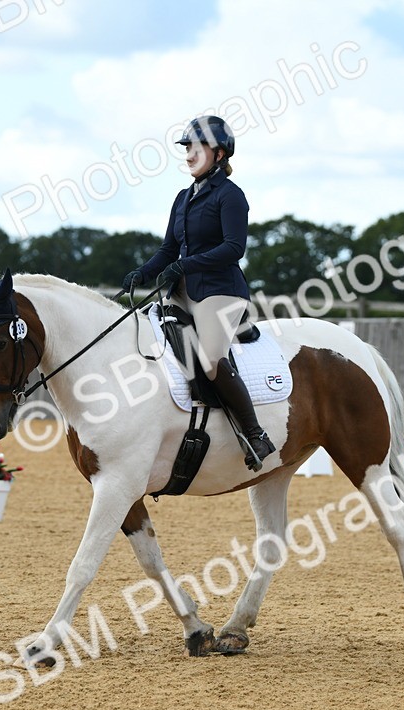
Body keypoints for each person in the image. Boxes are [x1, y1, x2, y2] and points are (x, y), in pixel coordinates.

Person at [122, 115, 275, 471]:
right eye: (186, 148)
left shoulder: (231, 196)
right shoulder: (182, 197)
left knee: (209, 359)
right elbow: (168, 249)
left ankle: (255, 435)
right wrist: (142, 273)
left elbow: (234, 248)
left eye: (195, 147)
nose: (188, 154)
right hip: (183, 290)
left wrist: (185, 266)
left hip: (220, 292)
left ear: (219, 153)